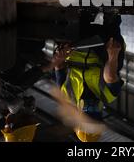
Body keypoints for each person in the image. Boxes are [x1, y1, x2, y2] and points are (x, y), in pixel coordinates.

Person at [51, 13, 125, 142]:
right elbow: (111, 77)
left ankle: (79, 11)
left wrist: (61, 54)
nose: (91, 111)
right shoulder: (108, 94)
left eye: (86, 116)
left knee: (65, 25)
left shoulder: (66, 95)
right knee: (110, 37)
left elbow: (58, 67)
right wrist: (112, 55)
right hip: (101, 48)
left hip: (74, 47)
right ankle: (110, 14)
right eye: (95, 117)